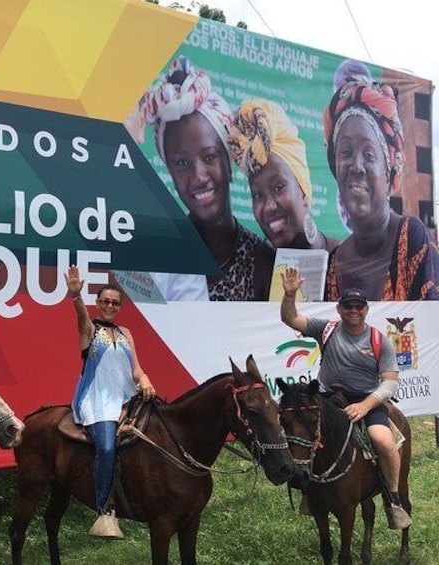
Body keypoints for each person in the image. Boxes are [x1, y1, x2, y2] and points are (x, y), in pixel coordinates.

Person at [126, 56, 275, 301]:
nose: (198, 176)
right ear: (170, 172)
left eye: (210, 157)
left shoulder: (262, 262)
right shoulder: (163, 254)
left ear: (229, 162)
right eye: (182, 163)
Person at [279, 265, 411, 529]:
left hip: (367, 400)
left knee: (383, 441)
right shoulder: (326, 329)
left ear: (366, 310)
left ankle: (393, 500)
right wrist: (290, 296)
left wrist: (365, 405)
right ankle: (309, 491)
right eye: (348, 306)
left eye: (358, 306)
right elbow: (290, 319)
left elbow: (389, 384)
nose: (353, 310)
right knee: (301, 432)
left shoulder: (379, 340)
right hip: (328, 398)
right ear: (339, 309)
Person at [323, 60, 439, 300]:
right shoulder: (334, 262)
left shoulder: (411, 238)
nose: (356, 166)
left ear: (389, 172)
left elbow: (430, 327)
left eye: (368, 154)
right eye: (345, 152)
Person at [65, 265, 156, 539]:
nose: (109, 306)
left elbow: (136, 369)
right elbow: (81, 317)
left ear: (120, 306)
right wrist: (75, 297)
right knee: (106, 447)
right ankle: (105, 512)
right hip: (98, 402)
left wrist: (145, 379)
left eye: (115, 303)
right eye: (104, 301)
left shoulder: (127, 333)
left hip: (127, 400)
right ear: (97, 303)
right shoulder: (89, 330)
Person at [229, 98, 339, 251]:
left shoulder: (345, 263)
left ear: (302, 190)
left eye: (278, 187)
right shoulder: (260, 269)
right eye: (257, 195)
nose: (268, 207)